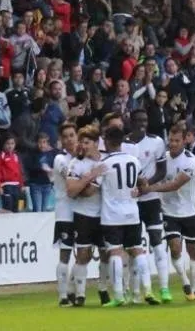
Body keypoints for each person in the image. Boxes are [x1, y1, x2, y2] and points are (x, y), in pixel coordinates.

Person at [140, 123, 195, 302]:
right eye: (171, 140)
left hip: (189, 211)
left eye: (177, 140)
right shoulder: (163, 159)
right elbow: (153, 173)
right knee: (175, 248)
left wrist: (150, 188)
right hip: (169, 212)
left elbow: (175, 184)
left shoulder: (191, 160)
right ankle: (185, 284)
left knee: (193, 251)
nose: (173, 143)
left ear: (184, 140)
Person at [98, 126, 158, 307]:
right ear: (122, 142)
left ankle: (118, 295)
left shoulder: (104, 163)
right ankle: (147, 289)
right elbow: (143, 183)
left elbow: (94, 187)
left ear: (107, 142)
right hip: (132, 212)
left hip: (111, 214)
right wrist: (138, 191)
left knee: (115, 251)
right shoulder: (134, 160)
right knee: (137, 249)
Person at [122, 108, 171, 302]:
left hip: (150, 199)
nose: (142, 123)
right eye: (138, 120)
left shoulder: (157, 142)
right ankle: (133, 292)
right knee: (132, 247)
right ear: (131, 122)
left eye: (145, 119)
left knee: (157, 243)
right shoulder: (124, 143)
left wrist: (147, 186)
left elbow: (162, 170)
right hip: (131, 202)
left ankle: (165, 288)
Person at [66, 125, 109, 307]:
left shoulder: (107, 161)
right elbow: (72, 191)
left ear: (96, 143)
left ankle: (103, 289)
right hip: (83, 214)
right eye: (81, 142)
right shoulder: (76, 164)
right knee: (83, 255)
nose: (83, 146)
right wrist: (91, 176)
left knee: (105, 253)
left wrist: (84, 185)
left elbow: (87, 190)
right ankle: (80, 294)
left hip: (104, 215)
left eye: (87, 142)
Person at [52, 122, 78, 306]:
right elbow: (71, 180)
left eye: (72, 135)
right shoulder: (60, 159)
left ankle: (71, 288)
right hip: (65, 212)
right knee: (65, 253)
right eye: (66, 136)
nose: (69, 139)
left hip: (81, 211)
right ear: (61, 140)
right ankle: (62, 295)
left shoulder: (83, 159)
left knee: (83, 253)